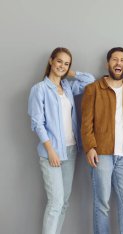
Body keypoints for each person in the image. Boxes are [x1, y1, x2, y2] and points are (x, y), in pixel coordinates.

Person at [28, 47, 95, 234]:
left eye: (66, 63)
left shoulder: (67, 87)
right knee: (55, 202)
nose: (62, 66)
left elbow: (90, 81)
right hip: (52, 152)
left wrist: (69, 72)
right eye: (59, 62)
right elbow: (37, 123)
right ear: (51, 61)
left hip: (71, 150)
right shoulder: (39, 89)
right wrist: (50, 150)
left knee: (64, 202)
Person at [81, 47, 123, 234]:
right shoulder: (93, 89)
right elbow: (86, 122)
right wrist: (90, 147)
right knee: (102, 203)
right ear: (108, 63)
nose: (118, 63)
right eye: (114, 59)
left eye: (122, 60)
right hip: (102, 153)